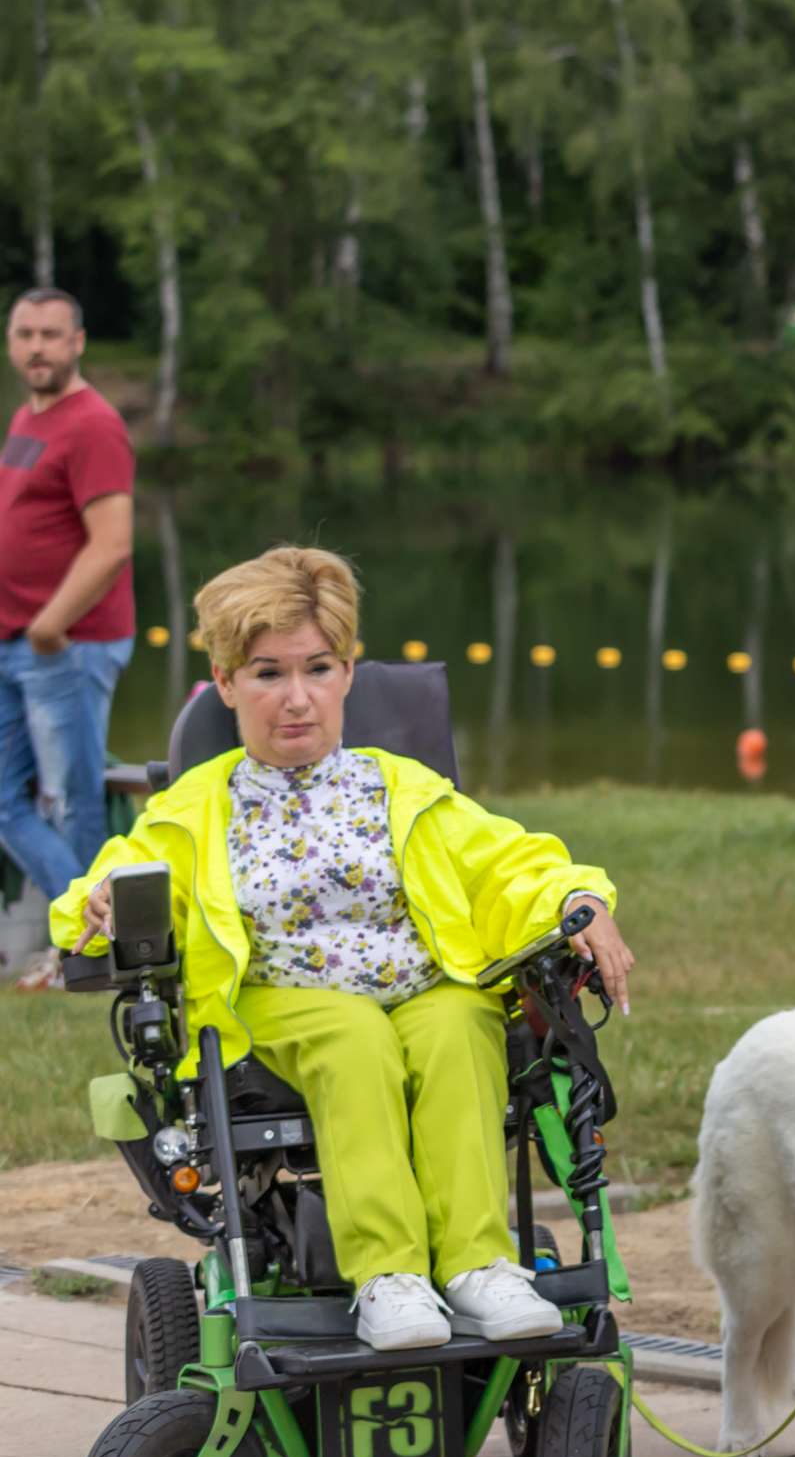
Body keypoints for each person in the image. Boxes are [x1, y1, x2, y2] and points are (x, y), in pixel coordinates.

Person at [50, 547, 637, 1353]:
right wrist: (106, 899)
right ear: (224, 684)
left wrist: (576, 899)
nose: (297, 699)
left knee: (461, 1022)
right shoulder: (196, 808)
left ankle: (480, 1267)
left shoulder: (401, 786)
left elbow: (507, 862)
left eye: (318, 668)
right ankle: (388, 1277)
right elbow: (126, 877)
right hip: (280, 1005)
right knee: (356, 1038)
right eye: (266, 674)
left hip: (420, 988)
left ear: (348, 674)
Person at [0, 288, 135, 930]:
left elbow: (111, 544)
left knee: (75, 803)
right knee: (6, 801)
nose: (36, 347)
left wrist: (50, 626)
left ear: (78, 342)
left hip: (66, 643)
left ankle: (94, 944)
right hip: (14, 640)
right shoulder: (30, 418)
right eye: (25, 333)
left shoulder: (92, 424)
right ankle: (78, 920)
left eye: (51, 334)